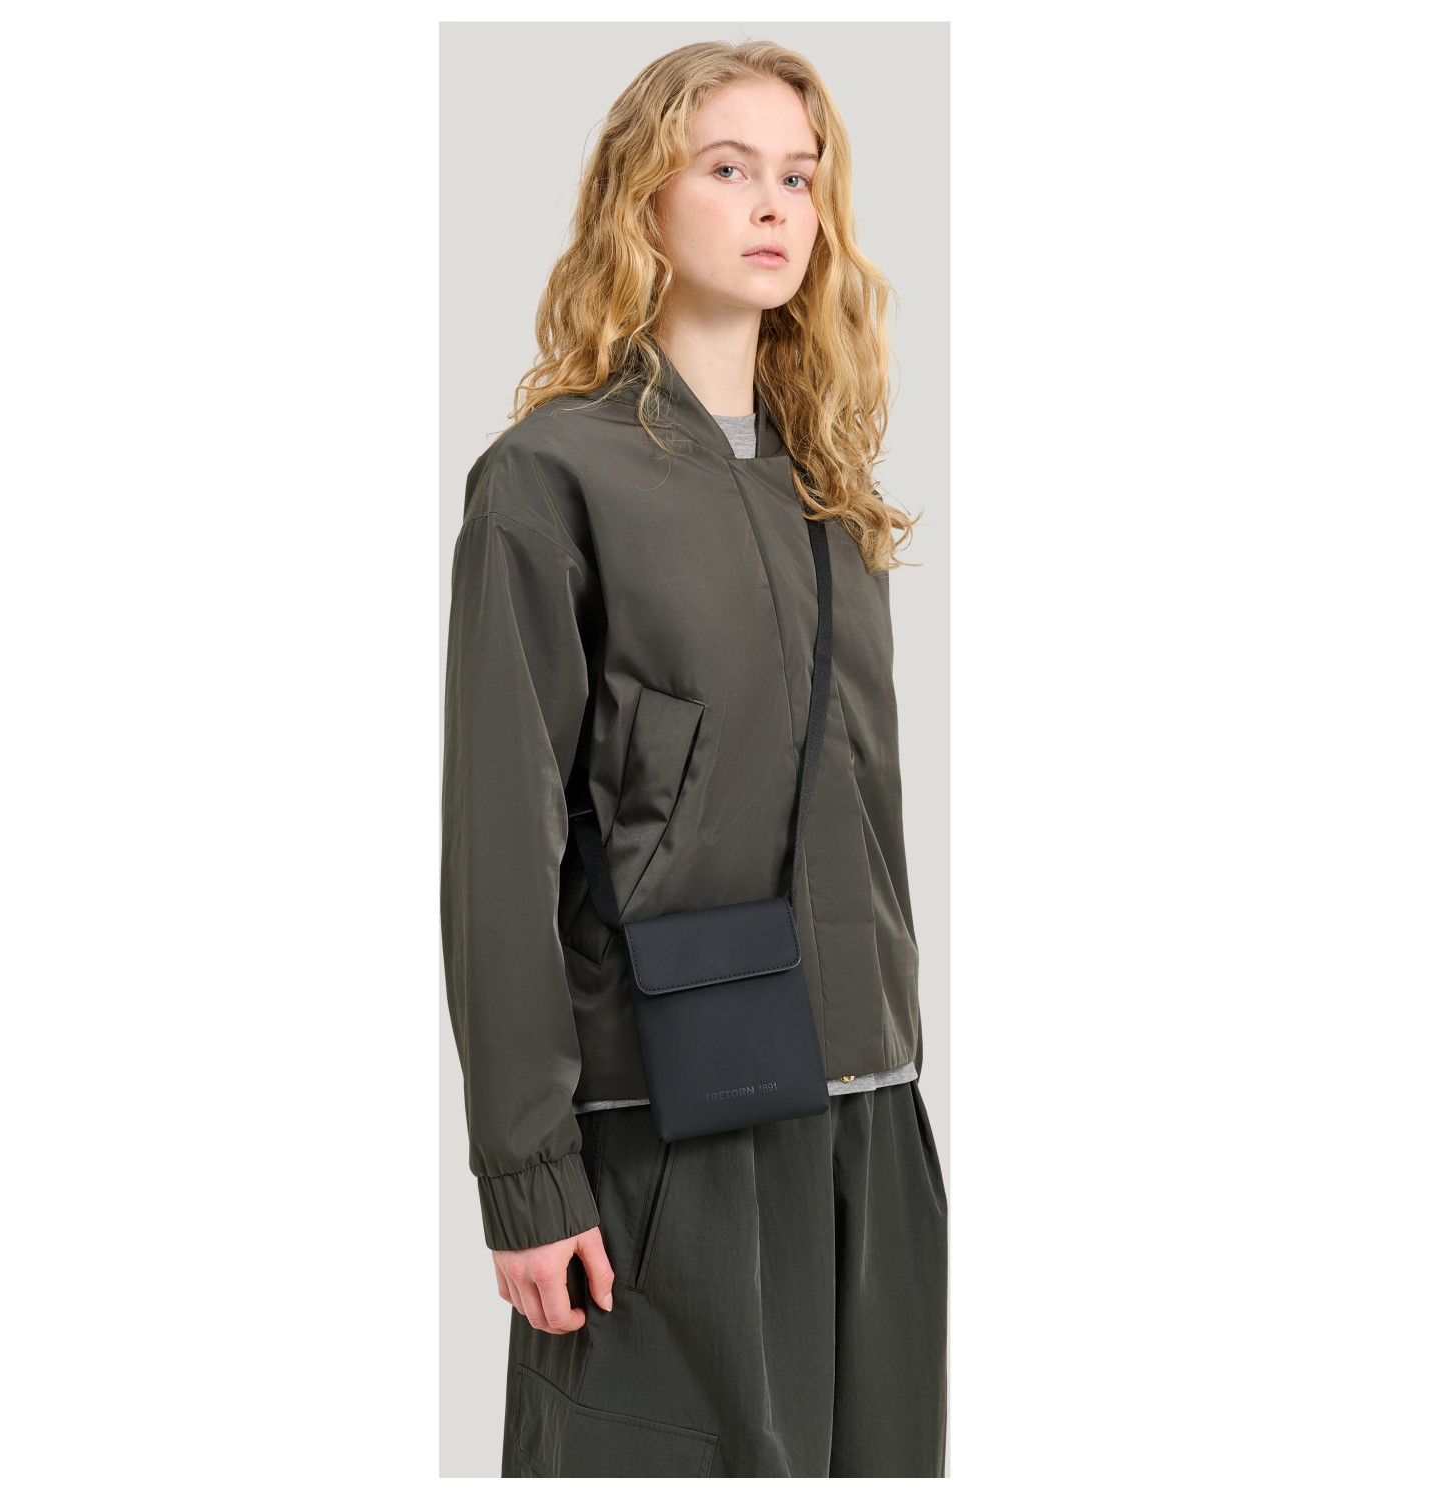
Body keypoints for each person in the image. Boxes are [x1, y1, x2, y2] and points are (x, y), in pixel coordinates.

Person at [440, 38, 947, 1478]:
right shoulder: (548, 480)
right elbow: (498, 848)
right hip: (664, 1130)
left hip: (872, 1120)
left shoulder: (830, 490)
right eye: (729, 168)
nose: (775, 204)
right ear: (643, 198)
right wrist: (529, 1177)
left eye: (800, 175)